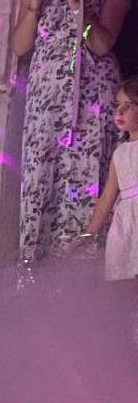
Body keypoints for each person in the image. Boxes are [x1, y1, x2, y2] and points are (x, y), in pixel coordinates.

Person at [12, 0, 130, 265]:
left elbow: (101, 44)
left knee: (82, 189)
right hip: (46, 102)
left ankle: (76, 289)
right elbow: (19, 47)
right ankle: (33, 279)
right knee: (40, 186)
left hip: (90, 102)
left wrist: (80, 4)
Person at [85, 77, 138, 282]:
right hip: (125, 227)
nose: (120, 112)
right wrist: (89, 234)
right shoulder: (120, 153)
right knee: (122, 282)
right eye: (117, 105)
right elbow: (107, 197)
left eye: (128, 106)